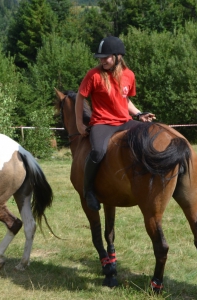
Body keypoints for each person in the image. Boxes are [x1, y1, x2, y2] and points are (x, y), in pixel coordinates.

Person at [75, 36, 155, 211]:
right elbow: (80, 97)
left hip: (125, 122)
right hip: (102, 123)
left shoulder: (129, 75)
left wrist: (140, 114)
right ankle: (88, 190)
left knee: (149, 134)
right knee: (97, 152)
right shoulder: (94, 75)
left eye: (106, 57)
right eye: (100, 57)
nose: (102, 60)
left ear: (118, 57)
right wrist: (80, 124)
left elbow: (125, 101)